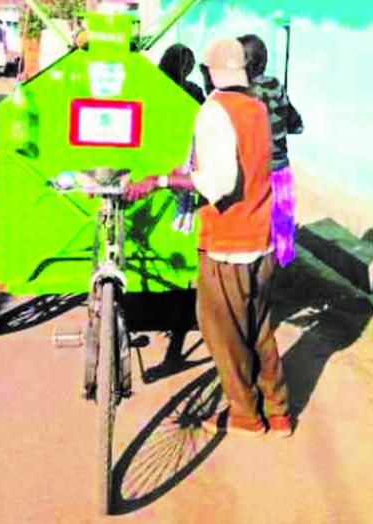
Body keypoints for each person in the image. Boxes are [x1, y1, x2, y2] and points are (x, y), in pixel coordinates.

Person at [124, 38, 291, 438]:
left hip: (228, 242)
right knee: (258, 329)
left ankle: (246, 415)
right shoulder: (256, 106)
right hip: (261, 236)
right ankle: (279, 412)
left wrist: (160, 181)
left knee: (223, 334)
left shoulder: (215, 110)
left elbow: (219, 183)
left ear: (209, 72)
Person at [238, 33, 303, 267]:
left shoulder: (241, 91)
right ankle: (283, 266)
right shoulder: (276, 85)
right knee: (282, 223)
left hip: (253, 169)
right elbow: (296, 124)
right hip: (280, 165)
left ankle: (255, 269)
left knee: (252, 227)